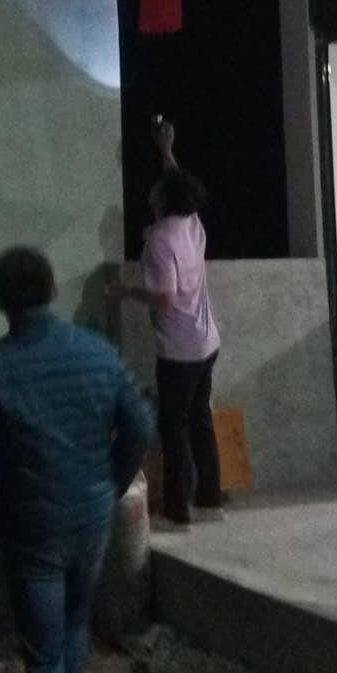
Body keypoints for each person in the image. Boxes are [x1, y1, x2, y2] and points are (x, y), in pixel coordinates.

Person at [0, 247, 153, 673]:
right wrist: (110, 484)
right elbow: (140, 425)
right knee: (75, 621)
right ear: (52, 290)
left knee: (43, 659)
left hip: (31, 530)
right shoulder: (99, 351)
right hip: (92, 518)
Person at [111, 119, 222, 529]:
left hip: (179, 348)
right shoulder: (191, 224)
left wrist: (123, 291)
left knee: (173, 427)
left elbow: (165, 297)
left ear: (162, 199)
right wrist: (166, 150)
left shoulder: (159, 240)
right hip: (206, 341)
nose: (152, 190)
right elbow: (179, 182)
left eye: (157, 188)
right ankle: (209, 499)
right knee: (200, 420)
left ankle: (177, 509)